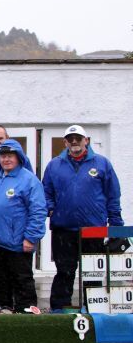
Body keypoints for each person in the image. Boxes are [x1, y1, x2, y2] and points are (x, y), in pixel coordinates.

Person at [43, 125, 123, 312]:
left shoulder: (102, 163)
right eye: (70, 139)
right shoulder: (54, 165)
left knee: (93, 272)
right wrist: (51, 209)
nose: (74, 142)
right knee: (64, 271)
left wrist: (116, 226)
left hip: (93, 229)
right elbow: (45, 191)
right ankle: (59, 310)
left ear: (86, 140)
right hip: (64, 228)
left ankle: (93, 309)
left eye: (78, 138)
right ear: (65, 142)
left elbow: (113, 195)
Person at [0, 140, 46, 314]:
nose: (6, 159)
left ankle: (27, 312)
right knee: (0, 280)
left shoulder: (29, 180)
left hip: (18, 242)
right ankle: (5, 311)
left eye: (10, 156)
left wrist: (31, 237)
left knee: (22, 280)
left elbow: (38, 211)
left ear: (19, 158)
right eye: (3, 156)